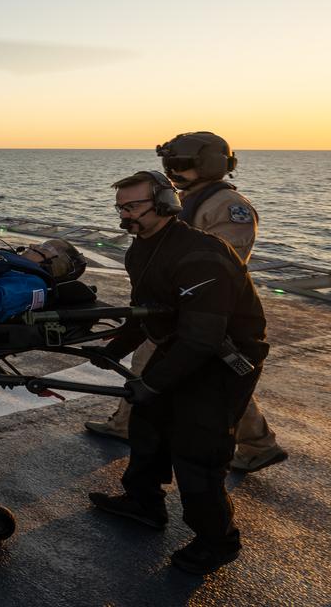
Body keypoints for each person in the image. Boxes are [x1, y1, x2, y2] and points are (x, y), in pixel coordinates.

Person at [88, 170, 267, 576]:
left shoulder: (200, 254)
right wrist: (113, 350)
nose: (124, 215)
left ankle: (216, 542)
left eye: (132, 207)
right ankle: (143, 503)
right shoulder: (142, 249)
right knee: (148, 427)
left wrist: (152, 382)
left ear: (166, 204)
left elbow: (203, 338)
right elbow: (145, 313)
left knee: (197, 451)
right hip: (181, 346)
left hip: (223, 360)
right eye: (120, 207)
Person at [84, 132, 287, 473]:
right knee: (160, 371)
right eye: (172, 163)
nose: (174, 170)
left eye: (181, 164)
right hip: (174, 311)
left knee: (182, 378)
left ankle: (255, 445)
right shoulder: (184, 198)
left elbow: (219, 262)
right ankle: (127, 426)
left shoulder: (227, 206)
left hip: (200, 315)